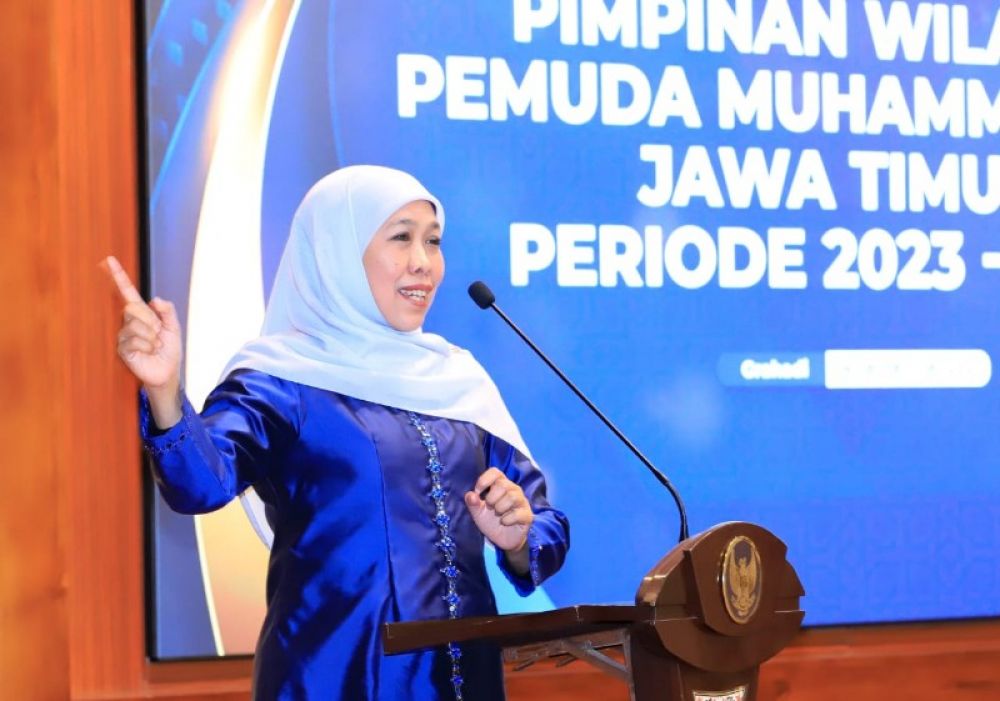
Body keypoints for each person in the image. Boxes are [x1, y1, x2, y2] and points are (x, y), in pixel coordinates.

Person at [105, 165, 569, 700]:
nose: (424, 262)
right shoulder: (280, 381)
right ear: (337, 251)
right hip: (333, 678)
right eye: (401, 238)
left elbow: (543, 523)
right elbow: (199, 485)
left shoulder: (458, 382)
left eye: (433, 241)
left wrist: (519, 539)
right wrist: (165, 391)